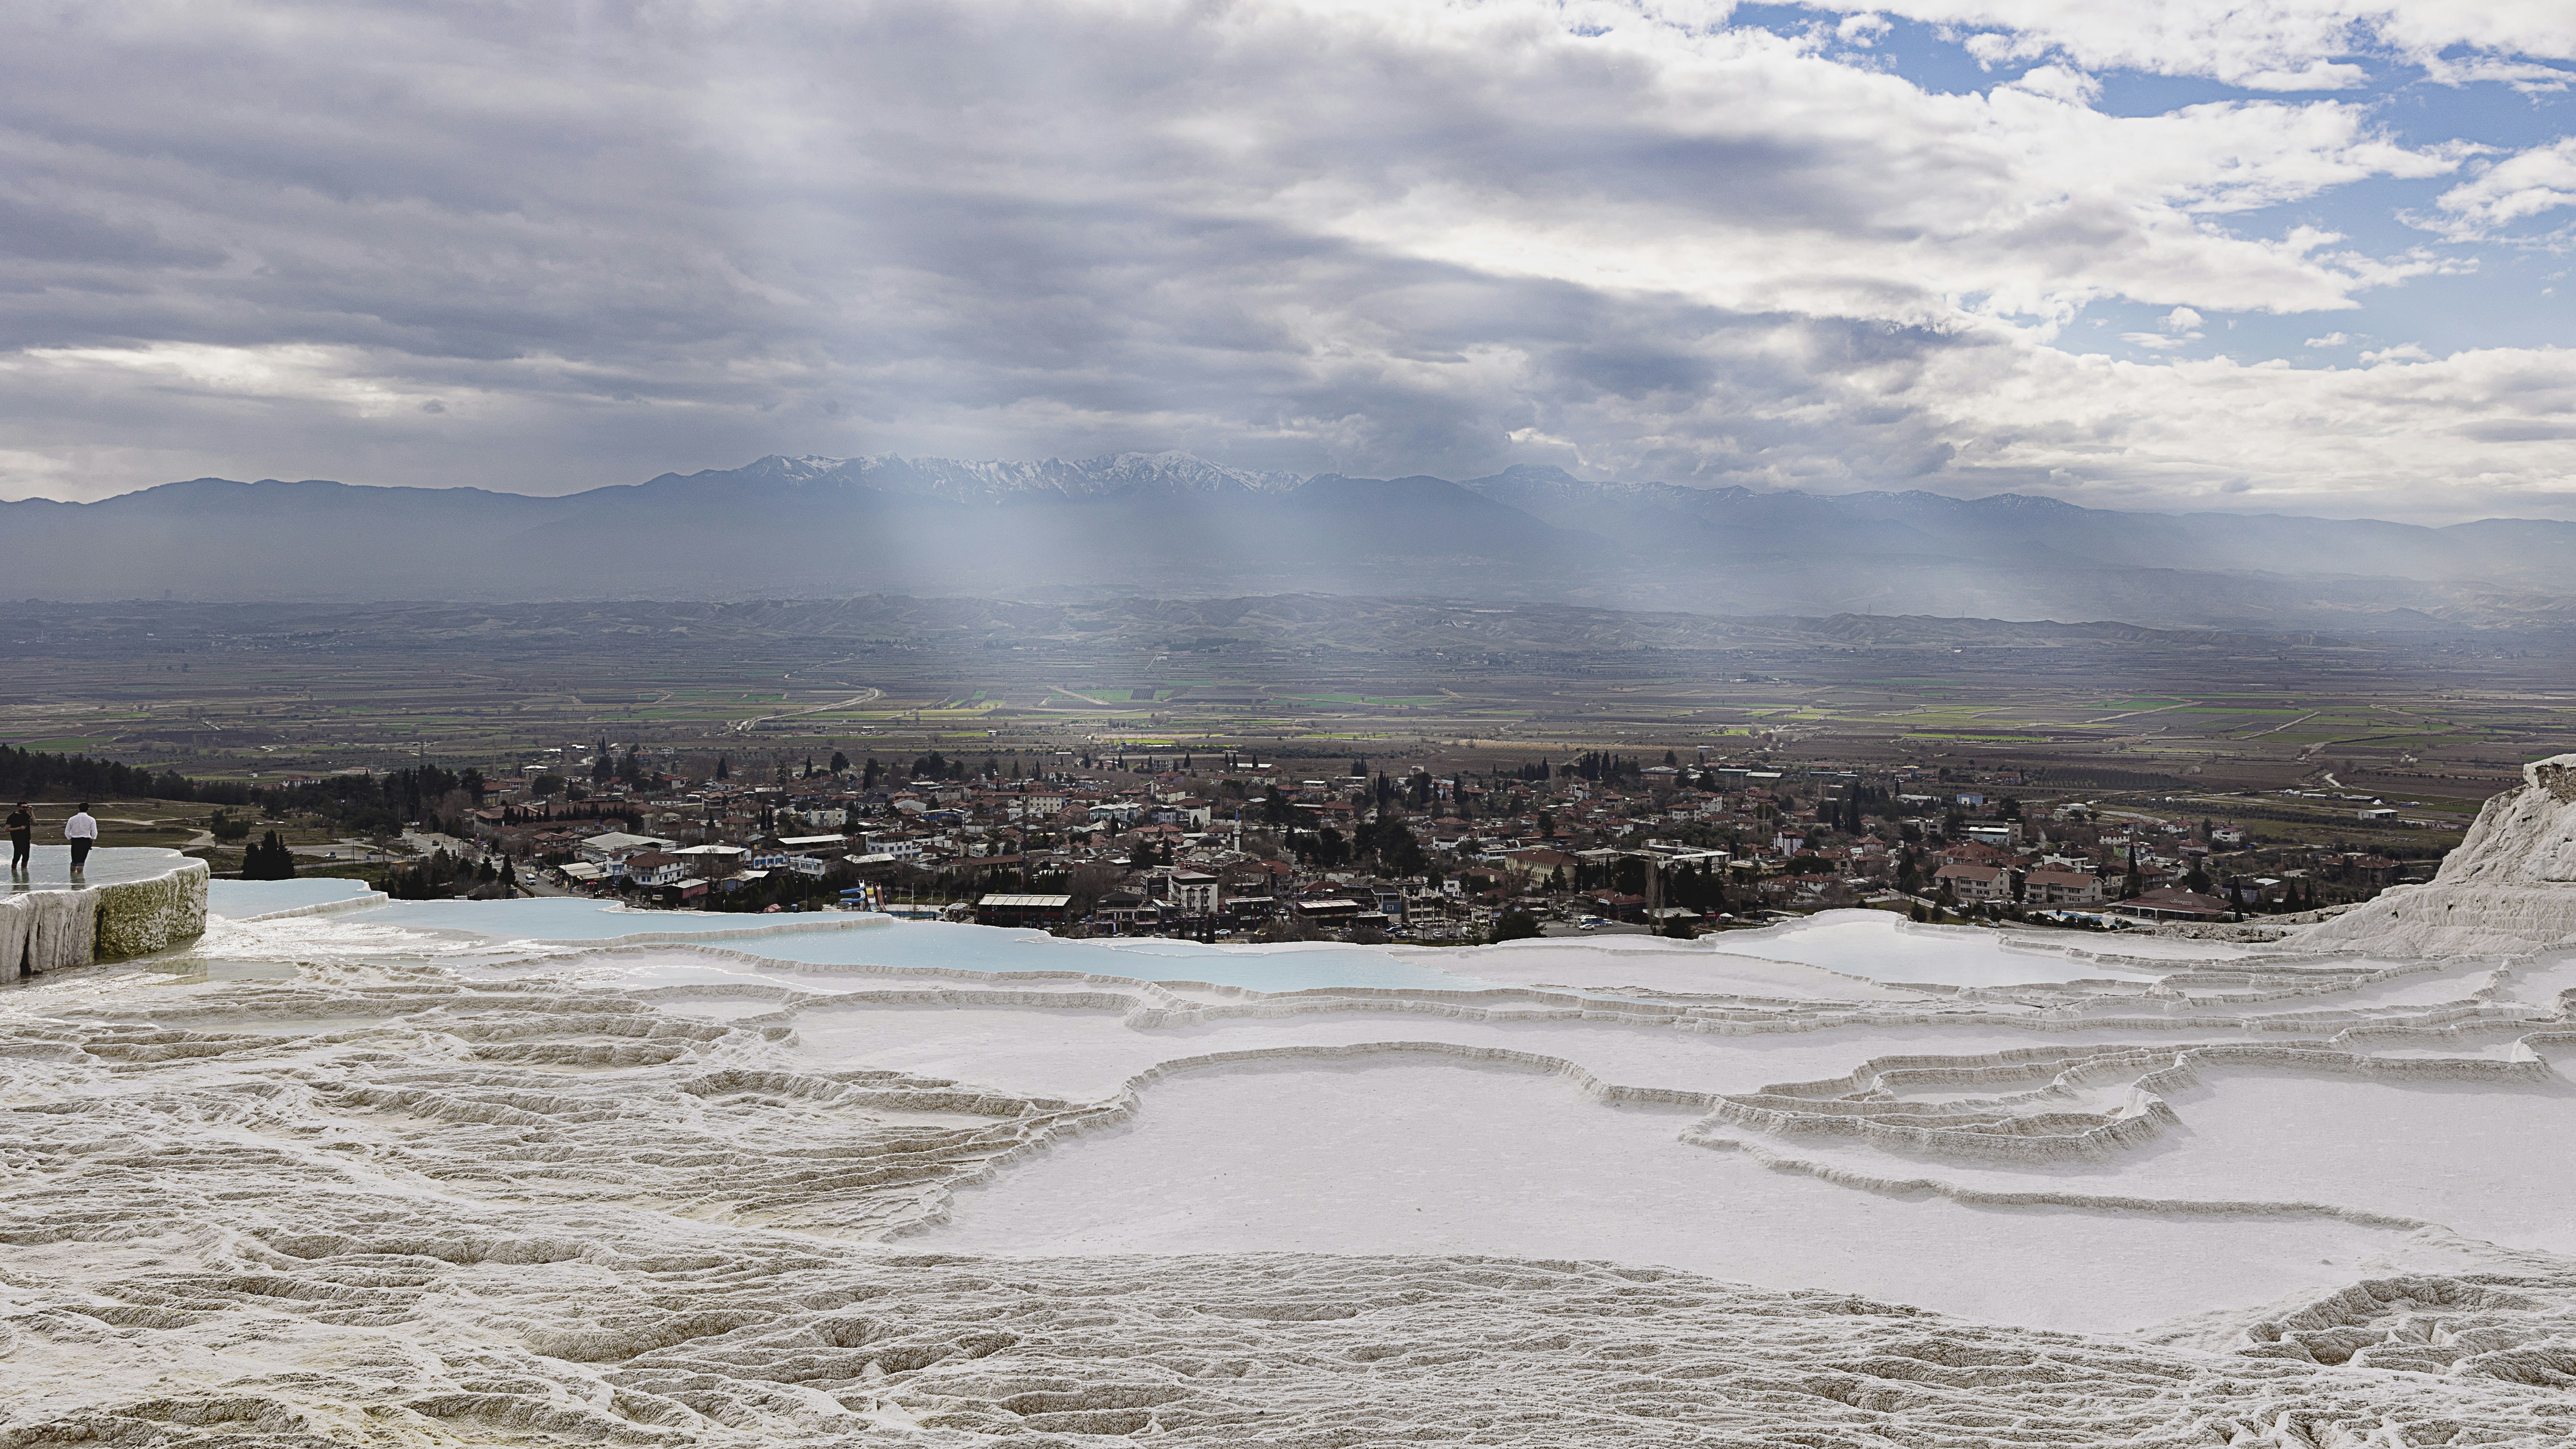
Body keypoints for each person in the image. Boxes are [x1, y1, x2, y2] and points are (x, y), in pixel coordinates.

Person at [65, 802, 97, 873]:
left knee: (74, 861)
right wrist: (92, 842)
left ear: (79, 809)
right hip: (86, 840)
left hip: (75, 840)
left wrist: (71, 838)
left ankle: (72, 877)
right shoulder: (91, 819)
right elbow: (94, 833)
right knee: (81, 862)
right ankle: (80, 878)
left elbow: (67, 832)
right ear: (88, 809)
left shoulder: (72, 819)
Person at [6, 800, 30, 873]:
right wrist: (19, 828)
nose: (25, 809)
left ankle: (24, 873)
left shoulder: (26, 815)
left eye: (27, 807)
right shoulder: (12, 817)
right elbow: (6, 829)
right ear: (18, 807)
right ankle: (14, 873)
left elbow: (34, 822)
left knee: (26, 857)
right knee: (17, 856)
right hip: (17, 839)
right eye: (23, 807)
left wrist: (32, 812)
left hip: (27, 839)